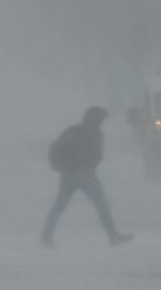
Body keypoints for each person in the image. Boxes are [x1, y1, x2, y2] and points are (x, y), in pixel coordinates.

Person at [41, 106, 133, 248]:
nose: (101, 122)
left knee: (64, 206)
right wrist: (71, 165)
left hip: (81, 174)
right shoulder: (77, 132)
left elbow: (96, 155)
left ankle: (46, 237)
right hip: (76, 175)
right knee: (93, 206)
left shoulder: (89, 132)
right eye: (100, 119)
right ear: (94, 119)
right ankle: (112, 236)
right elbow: (59, 148)